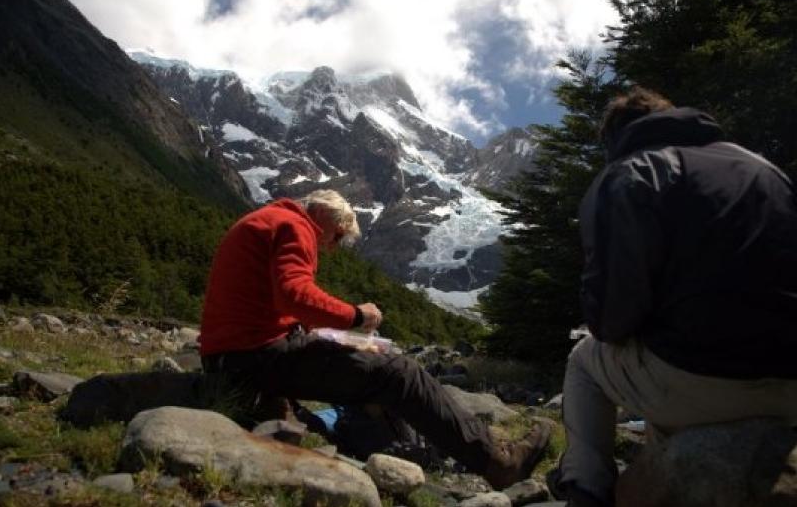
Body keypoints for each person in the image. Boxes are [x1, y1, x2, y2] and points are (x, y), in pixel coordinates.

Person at [547, 88, 797, 507]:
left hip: (705, 383)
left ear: (615, 138)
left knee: (585, 360)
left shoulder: (631, 172)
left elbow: (612, 319)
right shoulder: (763, 167)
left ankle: (586, 489)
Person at [199, 189, 550, 489]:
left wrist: (317, 332)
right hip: (256, 357)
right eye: (336, 236)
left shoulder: (267, 219)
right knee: (398, 371)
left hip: (230, 357)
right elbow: (293, 295)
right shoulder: (295, 226)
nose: (333, 247)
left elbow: (270, 303)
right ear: (321, 214)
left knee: (348, 365)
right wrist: (357, 316)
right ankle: (499, 462)